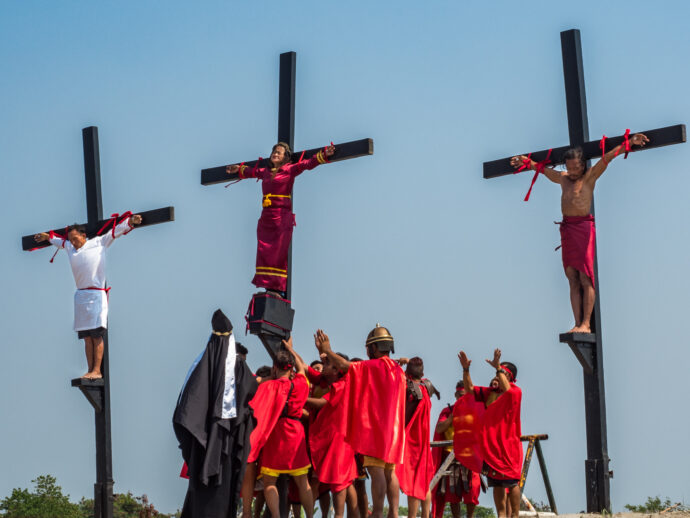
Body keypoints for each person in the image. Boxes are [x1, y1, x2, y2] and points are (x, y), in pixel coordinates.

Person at [510, 132, 649, 333]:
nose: (573, 171)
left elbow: (608, 157)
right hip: (567, 228)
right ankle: (577, 323)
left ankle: (586, 323)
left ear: (583, 165)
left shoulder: (590, 176)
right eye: (569, 167)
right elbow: (540, 170)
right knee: (571, 277)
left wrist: (629, 142)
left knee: (585, 277)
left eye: (576, 167)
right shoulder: (563, 178)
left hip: (583, 228)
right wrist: (526, 161)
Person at [34, 213, 142, 378]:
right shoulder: (70, 247)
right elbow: (58, 241)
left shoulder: (99, 242)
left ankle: (97, 370)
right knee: (86, 337)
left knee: (96, 335)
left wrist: (130, 222)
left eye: (76, 238)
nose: (74, 242)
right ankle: (89, 369)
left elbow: (116, 231)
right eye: (71, 239)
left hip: (97, 294)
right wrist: (46, 237)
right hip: (81, 297)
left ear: (84, 235)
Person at [173, 309, 258, 518]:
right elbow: (250, 395)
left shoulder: (202, 365)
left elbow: (185, 411)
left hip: (201, 446)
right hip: (225, 445)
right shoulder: (238, 367)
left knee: (200, 498)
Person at [314, 325, 406, 518]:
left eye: (368, 348)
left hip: (378, 430)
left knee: (377, 469)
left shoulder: (374, 366)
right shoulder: (398, 370)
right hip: (395, 431)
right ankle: (394, 514)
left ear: (374, 348)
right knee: (390, 471)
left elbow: (346, 367)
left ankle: (378, 512)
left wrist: (327, 350)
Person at [227, 142, 336, 298]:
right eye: (274, 152)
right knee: (263, 252)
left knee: (277, 253)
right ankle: (267, 287)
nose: (275, 154)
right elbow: (252, 172)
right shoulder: (265, 172)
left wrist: (324, 154)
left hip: (281, 217)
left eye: (279, 152)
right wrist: (238, 169)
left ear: (286, 157)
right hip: (266, 218)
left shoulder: (290, 169)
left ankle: (278, 289)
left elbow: (307, 164)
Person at [247, 339, 313, 518]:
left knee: (269, 483)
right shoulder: (300, 383)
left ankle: (276, 516)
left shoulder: (268, 386)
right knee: (303, 482)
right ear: (291, 369)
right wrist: (291, 347)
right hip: (296, 433)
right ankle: (310, 516)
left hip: (276, 435)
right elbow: (301, 369)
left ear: (274, 368)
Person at [458, 349, 522, 518]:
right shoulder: (490, 393)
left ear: (510, 377)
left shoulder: (515, 392)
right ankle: (501, 515)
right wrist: (466, 370)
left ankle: (515, 515)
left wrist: (497, 367)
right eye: (497, 373)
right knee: (497, 483)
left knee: (511, 481)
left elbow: (508, 392)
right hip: (491, 447)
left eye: (501, 373)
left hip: (508, 447)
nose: (496, 376)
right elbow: (469, 389)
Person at [304, 350, 359, 518]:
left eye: (327, 364)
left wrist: (298, 397)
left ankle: (339, 516)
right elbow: (304, 368)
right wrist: (290, 350)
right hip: (335, 438)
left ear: (337, 370)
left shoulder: (343, 385)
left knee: (340, 482)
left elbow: (321, 403)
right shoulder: (326, 381)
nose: (323, 367)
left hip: (340, 439)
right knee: (345, 483)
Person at [432, 381, 481, 518]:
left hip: (470, 457)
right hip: (450, 458)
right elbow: (439, 428)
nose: (462, 399)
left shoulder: (475, 411)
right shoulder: (447, 411)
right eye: (460, 395)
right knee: (452, 495)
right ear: (455, 395)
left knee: (472, 493)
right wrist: (452, 417)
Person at [396, 358, 434, 518]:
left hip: (409, 442)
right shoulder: (426, 388)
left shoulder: (406, 387)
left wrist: (399, 364)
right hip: (423, 443)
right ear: (423, 373)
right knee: (423, 483)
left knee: (412, 482)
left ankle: (411, 516)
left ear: (407, 373)